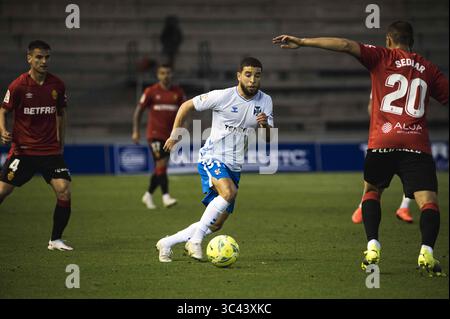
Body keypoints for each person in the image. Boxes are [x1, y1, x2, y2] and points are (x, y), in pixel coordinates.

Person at [273, 21, 448, 276]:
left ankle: (373, 246)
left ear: (389, 40)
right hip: (416, 144)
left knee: (372, 191)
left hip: (382, 143)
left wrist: (303, 41)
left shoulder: (381, 56)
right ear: (412, 41)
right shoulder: (429, 68)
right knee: (428, 202)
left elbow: (344, 45)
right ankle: (427, 252)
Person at [155, 57, 273, 262]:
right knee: (228, 192)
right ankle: (195, 241)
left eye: (257, 75)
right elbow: (185, 106)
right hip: (212, 156)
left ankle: (167, 243)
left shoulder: (266, 101)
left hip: (235, 165)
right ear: (239, 76)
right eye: (248, 74)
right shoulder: (223, 96)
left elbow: (268, 139)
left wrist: (264, 126)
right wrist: (175, 134)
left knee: (216, 223)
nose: (253, 80)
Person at [0, 40, 73, 251]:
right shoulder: (18, 86)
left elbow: (62, 113)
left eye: (47, 57)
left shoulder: (57, 85)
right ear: (29, 58)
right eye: (39, 57)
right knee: (3, 191)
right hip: (23, 152)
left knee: (64, 191)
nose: (44, 61)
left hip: (50, 151)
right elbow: (3, 110)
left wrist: (61, 142)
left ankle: (56, 240)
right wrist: (3, 130)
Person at [132, 64, 185, 209]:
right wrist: (136, 131)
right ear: (158, 75)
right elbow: (138, 111)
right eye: (162, 73)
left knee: (160, 167)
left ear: (172, 74)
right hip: (154, 134)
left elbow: (185, 112)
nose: (165, 75)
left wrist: (182, 129)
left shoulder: (178, 92)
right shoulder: (151, 91)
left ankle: (148, 195)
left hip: (170, 136)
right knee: (161, 163)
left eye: (168, 72)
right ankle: (166, 196)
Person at [352, 98, 413, 224]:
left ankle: (404, 207)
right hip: (387, 135)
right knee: (379, 179)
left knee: (414, 178)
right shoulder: (381, 83)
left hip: (408, 134)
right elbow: (371, 106)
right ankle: (362, 207)